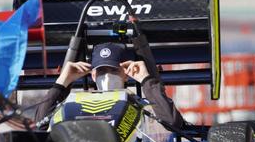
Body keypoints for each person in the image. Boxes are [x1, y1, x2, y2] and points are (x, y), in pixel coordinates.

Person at [34, 42, 184, 129]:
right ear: (93, 75)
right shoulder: (74, 105)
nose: (107, 75)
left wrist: (146, 80)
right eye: (101, 71)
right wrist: (62, 82)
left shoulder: (140, 105)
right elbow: (39, 125)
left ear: (126, 73)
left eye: (113, 70)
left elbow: (172, 123)